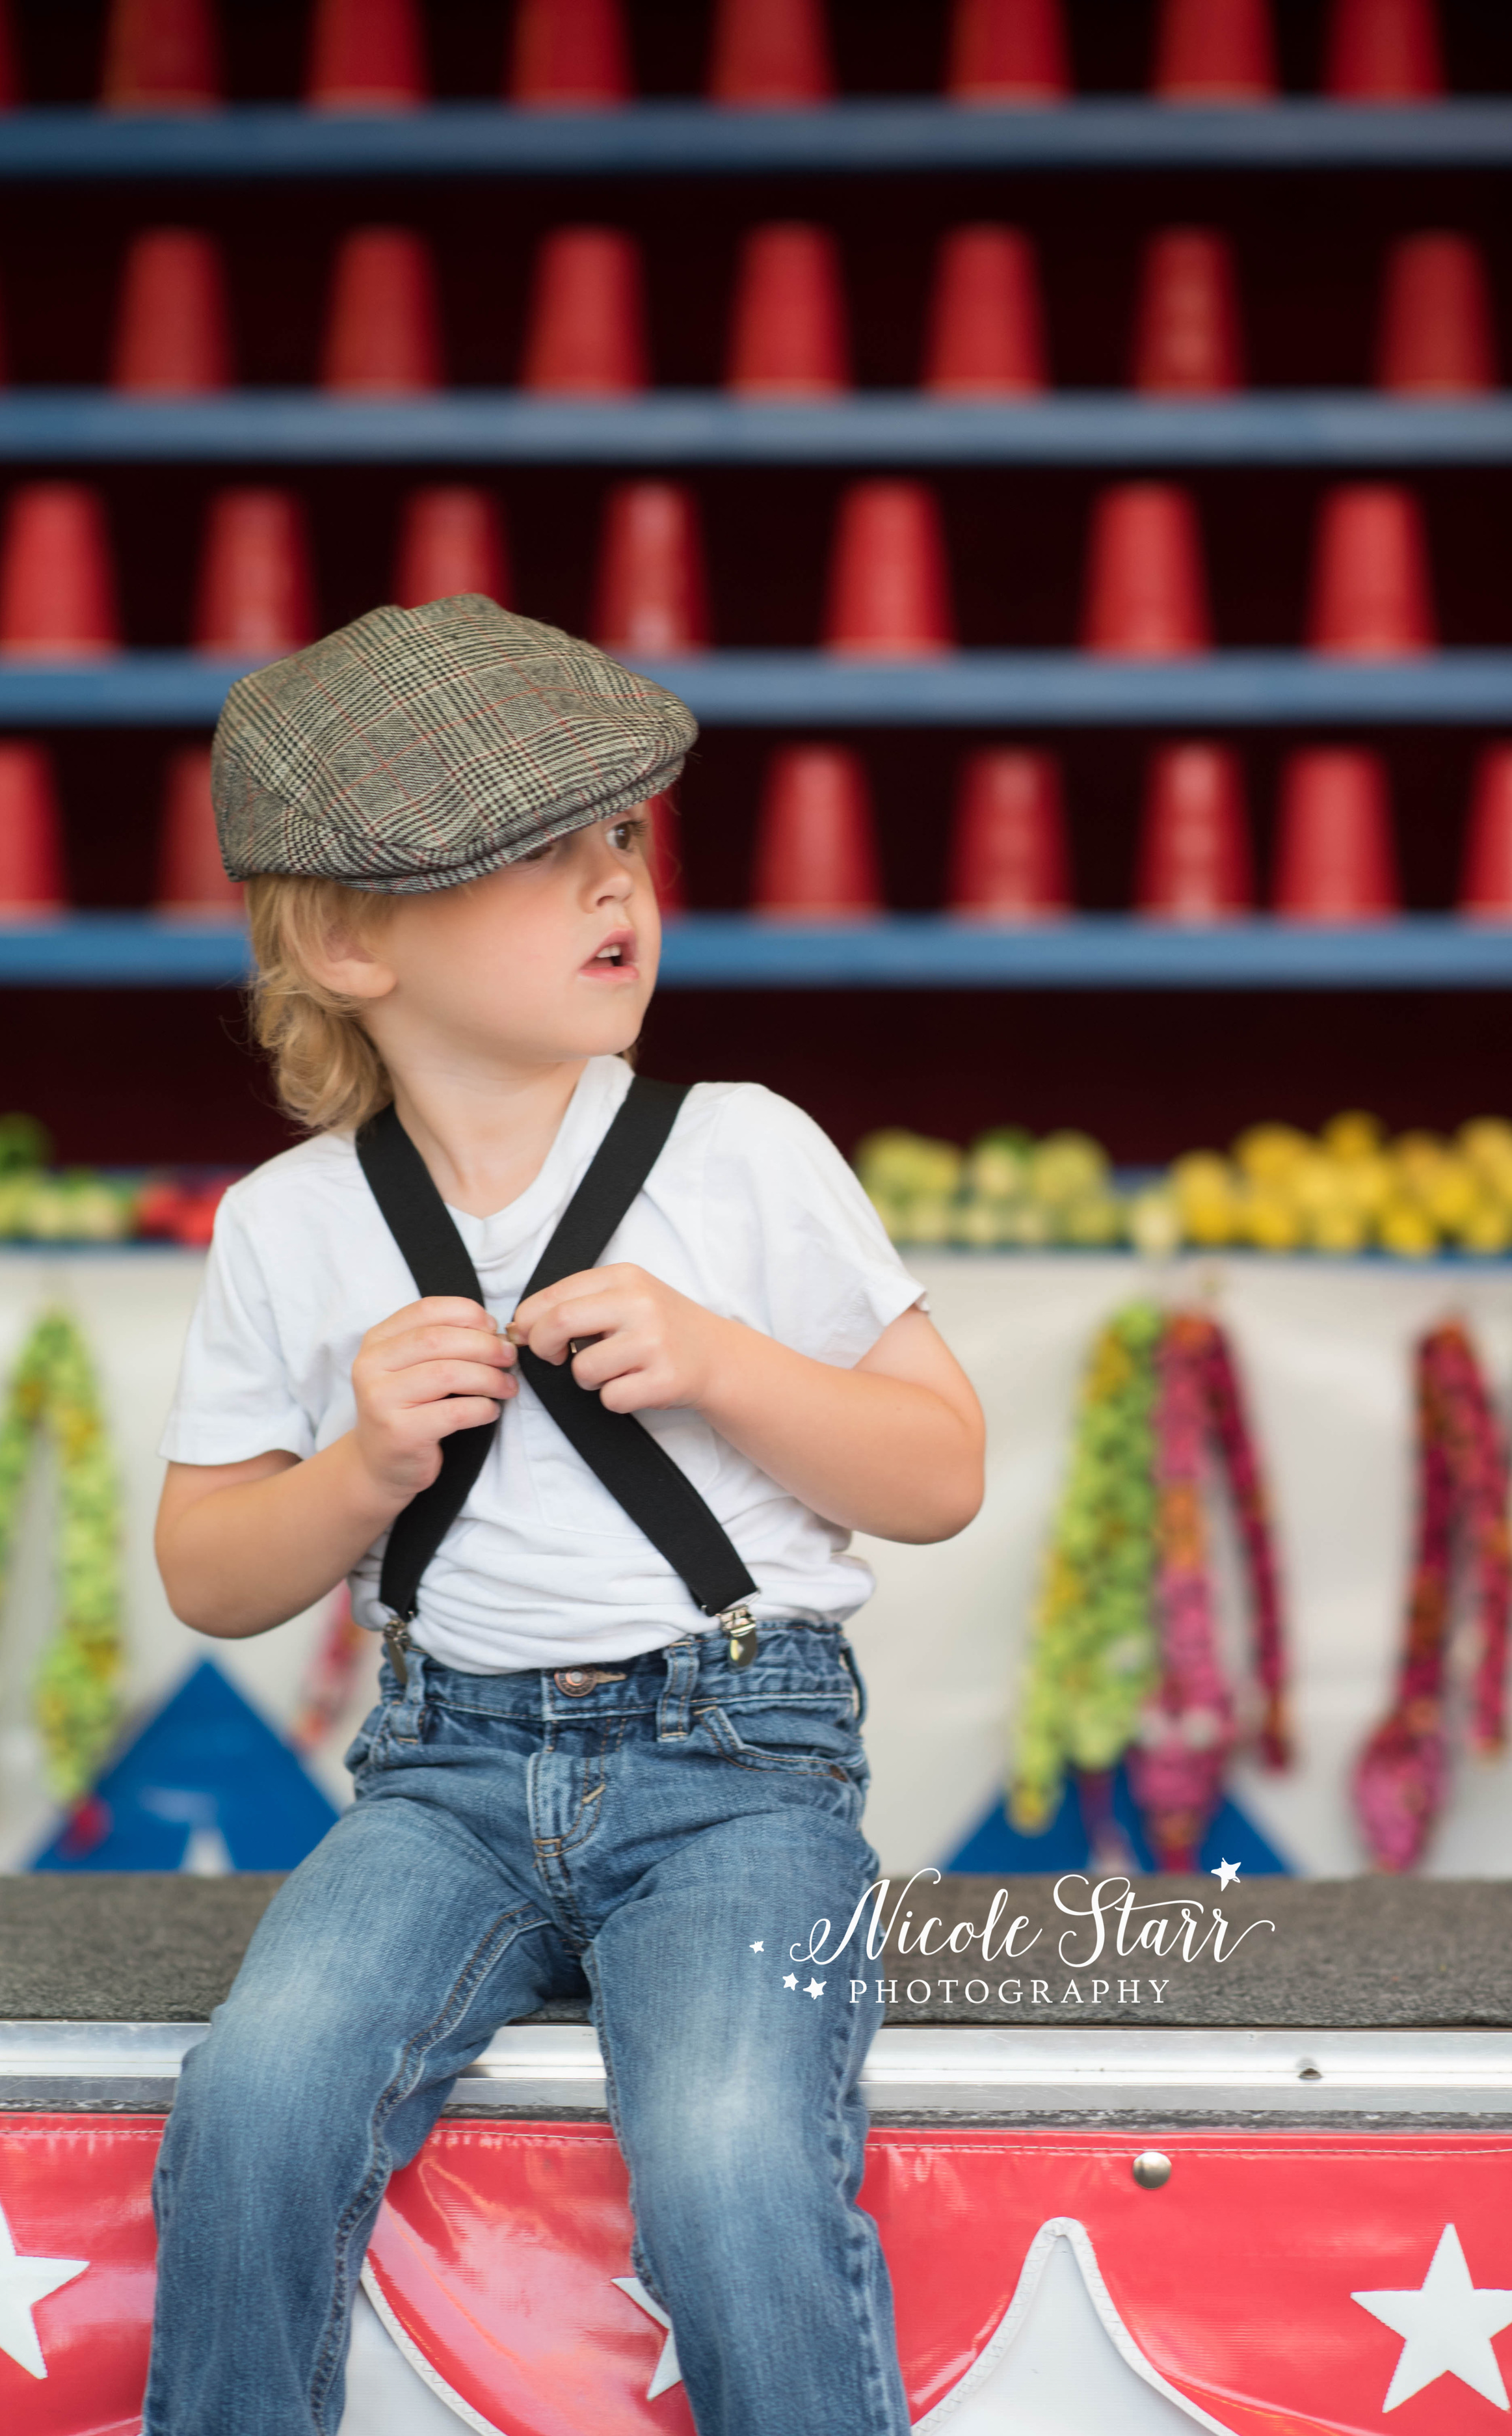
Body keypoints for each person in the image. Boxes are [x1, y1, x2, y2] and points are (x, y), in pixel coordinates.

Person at [142, 593, 985, 2436]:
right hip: (443, 1771)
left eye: (622, 837)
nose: (619, 882)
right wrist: (356, 1467)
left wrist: (725, 1360)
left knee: (729, 2144)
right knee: (259, 2098)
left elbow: (939, 1471)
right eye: (542, 856)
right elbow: (208, 1570)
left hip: (737, 1763)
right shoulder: (292, 1223)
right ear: (355, 936)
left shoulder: (742, 1147)